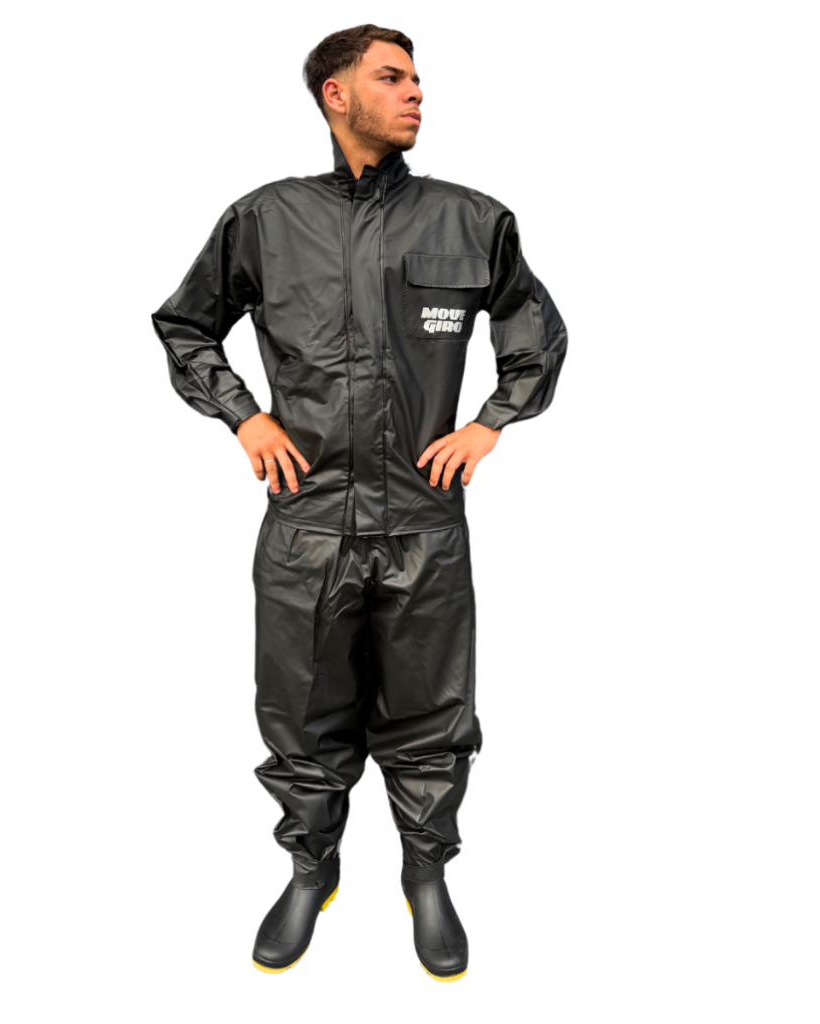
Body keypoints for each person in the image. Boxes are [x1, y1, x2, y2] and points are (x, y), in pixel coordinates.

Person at [149, 23, 568, 982]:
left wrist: (491, 422)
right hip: (305, 524)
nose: (416, 91)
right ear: (336, 95)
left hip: (424, 525)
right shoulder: (267, 218)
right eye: (392, 77)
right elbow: (185, 325)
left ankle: (427, 873)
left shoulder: (470, 219)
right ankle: (311, 868)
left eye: (417, 77)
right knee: (302, 714)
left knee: (431, 716)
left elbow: (536, 332)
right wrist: (246, 417)